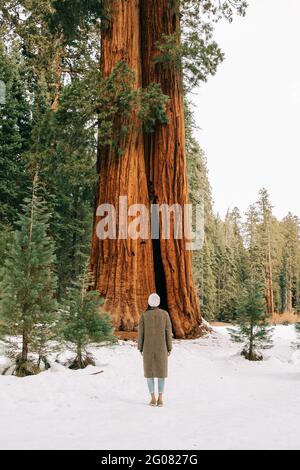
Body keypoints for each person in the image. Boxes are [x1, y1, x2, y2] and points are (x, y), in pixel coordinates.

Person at [138, 293, 173, 407]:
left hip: (148, 348)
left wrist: (140, 348)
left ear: (149, 302)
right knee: (161, 373)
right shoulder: (165, 314)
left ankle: (152, 398)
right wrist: (169, 347)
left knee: (149, 373)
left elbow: (141, 333)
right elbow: (168, 332)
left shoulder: (144, 315)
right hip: (162, 347)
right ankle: (161, 399)